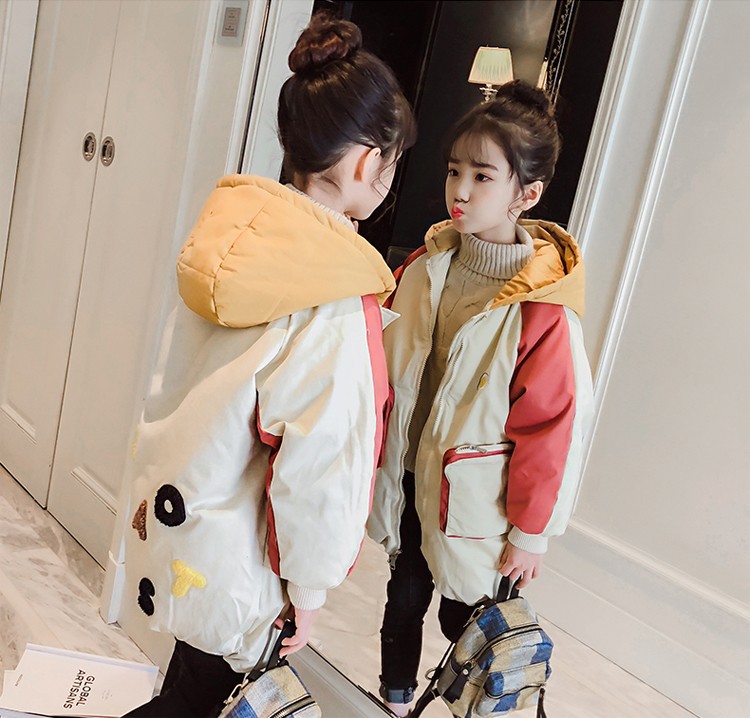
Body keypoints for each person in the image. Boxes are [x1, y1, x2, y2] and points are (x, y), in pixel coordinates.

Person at [122, 12, 415, 718]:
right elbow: (323, 466)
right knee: (198, 700)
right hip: (246, 568)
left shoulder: (230, 248)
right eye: (392, 162)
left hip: (183, 528)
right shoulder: (333, 294)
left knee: (188, 685)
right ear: (366, 162)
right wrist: (307, 593)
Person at [368, 80, 594, 716]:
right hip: (412, 477)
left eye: (482, 176)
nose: (460, 191)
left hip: (478, 501)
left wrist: (530, 532)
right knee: (402, 598)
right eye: (453, 171)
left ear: (527, 194)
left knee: (467, 620)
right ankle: (393, 701)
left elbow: (549, 427)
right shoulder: (424, 267)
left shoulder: (541, 308)